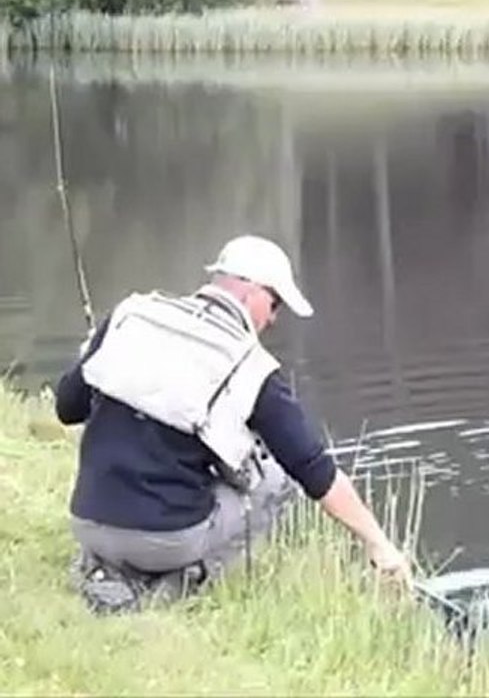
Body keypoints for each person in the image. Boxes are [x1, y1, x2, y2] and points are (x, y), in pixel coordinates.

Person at [55, 234, 412, 613]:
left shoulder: (129, 316)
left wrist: (94, 360)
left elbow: (68, 408)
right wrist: (379, 544)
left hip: (87, 520)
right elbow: (315, 471)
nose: (273, 319)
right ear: (250, 292)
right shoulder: (250, 367)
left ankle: (105, 571)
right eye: (274, 304)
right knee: (276, 481)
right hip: (164, 542)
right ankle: (171, 588)